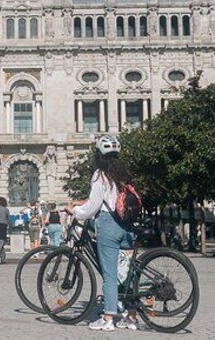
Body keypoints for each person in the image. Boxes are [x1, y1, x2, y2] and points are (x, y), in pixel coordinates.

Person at [67, 135, 139, 331]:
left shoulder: (100, 174)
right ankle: (131, 317)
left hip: (109, 224)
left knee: (109, 274)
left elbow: (93, 206)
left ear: (98, 154)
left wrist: (75, 211)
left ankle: (108, 317)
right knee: (127, 274)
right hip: (127, 226)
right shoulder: (123, 174)